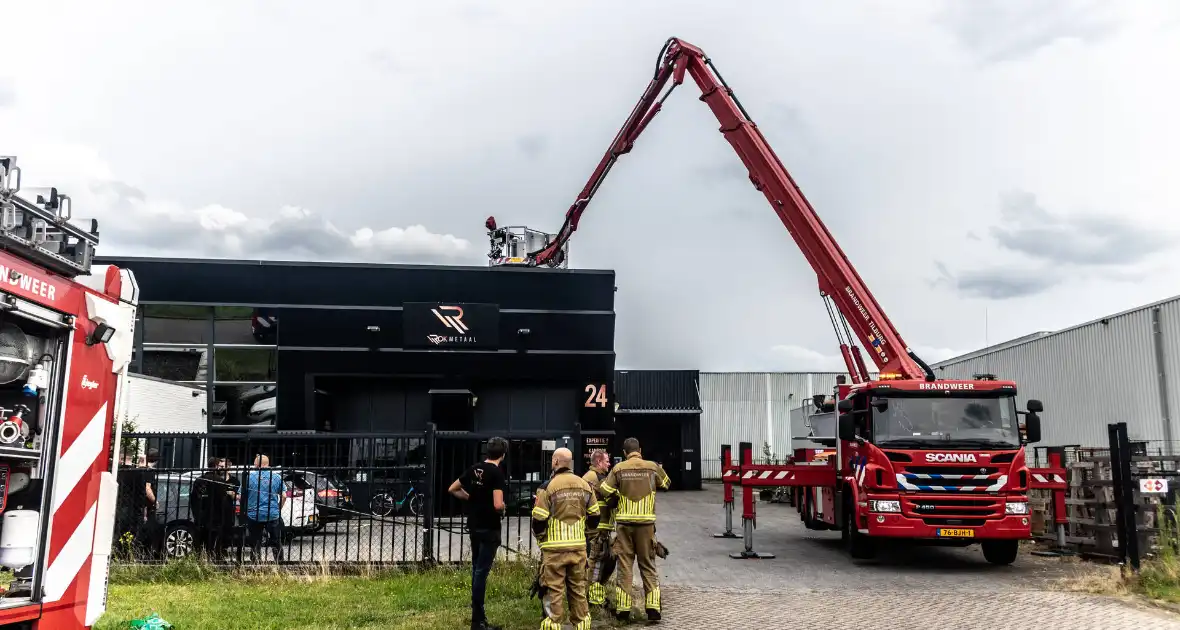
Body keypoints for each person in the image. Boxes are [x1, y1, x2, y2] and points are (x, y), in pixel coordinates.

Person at [599, 437, 671, 622]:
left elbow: (604, 490)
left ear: (624, 453)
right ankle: (653, 609)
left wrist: (618, 493)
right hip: (646, 526)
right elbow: (667, 484)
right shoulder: (652, 466)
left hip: (624, 526)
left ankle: (623, 611)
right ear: (640, 449)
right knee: (648, 566)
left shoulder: (618, 468)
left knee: (625, 567)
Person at [531, 448, 599, 630]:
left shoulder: (547, 487)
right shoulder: (585, 485)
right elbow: (595, 516)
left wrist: (541, 539)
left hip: (554, 551)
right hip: (578, 548)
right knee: (578, 590)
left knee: (553, 590)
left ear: (555, 462)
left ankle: (553, 624)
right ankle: (582, 623)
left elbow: (538, 519)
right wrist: (587, 536)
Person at [449, 437, 508, 630]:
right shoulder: (496, 473)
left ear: (487, 452)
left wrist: (470, 498)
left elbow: (453, 488)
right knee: (482, 572)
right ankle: (478, 621)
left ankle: (477, 617)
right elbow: (498, 504)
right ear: (503, 454)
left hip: (474, 525)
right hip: (490, 527)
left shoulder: (475, 468)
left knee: (476, 569)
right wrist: (503, 508)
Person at [581, 450, 616, 609]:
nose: (609, 464)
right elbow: (611, 499)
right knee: (597, 564)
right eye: (607, 461)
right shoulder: (596, 479)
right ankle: (594, 599)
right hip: (597, 530)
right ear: (599, 462)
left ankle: (595, 595)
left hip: (598, 528)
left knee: (605, 561)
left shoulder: (590, 477)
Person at [240, 454, 285, 562]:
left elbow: (240, 495)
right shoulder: (277, 477)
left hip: (254, 514)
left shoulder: (249, 477)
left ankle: (255, 564)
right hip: (272, 513)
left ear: (257, 464)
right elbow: (284, 496)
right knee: (276, 541)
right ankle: (280, 563)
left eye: (255, 462)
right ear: (267, 463)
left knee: (255, 541)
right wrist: (278, 508)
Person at [191, 457, 238, 560]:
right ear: (216, 466)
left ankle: (198, 561)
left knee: (200, 544)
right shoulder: (219, 481)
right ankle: (214, 561)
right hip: (215, 519)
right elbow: (223, 501)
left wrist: (197, 515)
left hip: (201, 518)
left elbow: (194, 499)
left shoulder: (199, 480)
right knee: (213, 545)